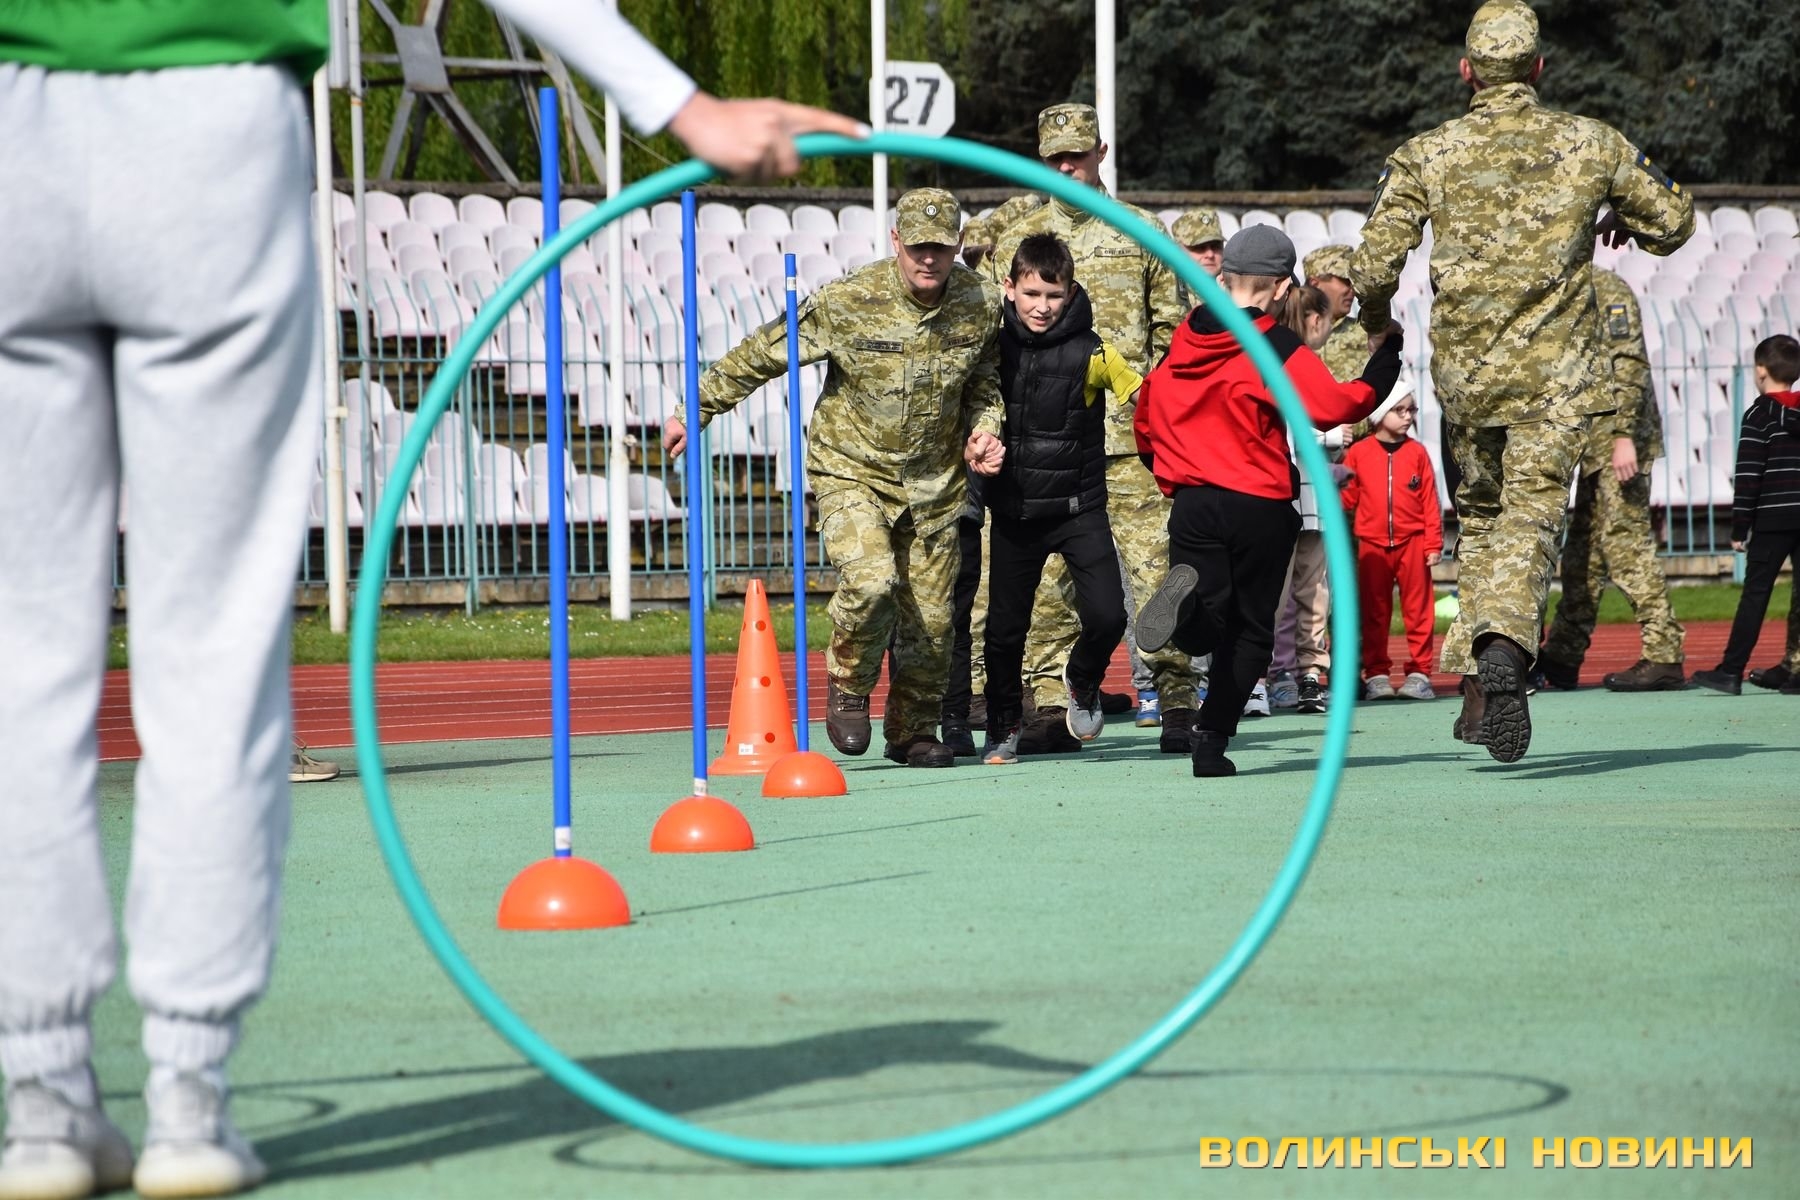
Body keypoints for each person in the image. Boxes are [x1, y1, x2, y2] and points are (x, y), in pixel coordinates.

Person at [0, 6, 861, 1197]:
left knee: (25, 666)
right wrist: (681, 106)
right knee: (210, 661)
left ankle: (43, 1103)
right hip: (209, 127)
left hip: (17, 131)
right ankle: (188, 1101)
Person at [1349, 0, 1694, 763]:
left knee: (1479, 521)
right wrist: (1623, 217)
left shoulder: (1427, 152)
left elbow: (1370, 266)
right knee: (1531, 518)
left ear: (1466, 71)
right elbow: (1675, 222)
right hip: (1556, 380)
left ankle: (1479, 682)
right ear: (1539, 67)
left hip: (1467, 381)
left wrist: (1377, 325)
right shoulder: (1590, 142)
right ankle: (1504, 644)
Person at [668, 189, 1005, 766]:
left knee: (932, 622)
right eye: (918, 247)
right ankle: (849, 682)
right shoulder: (849, 299)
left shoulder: (982, 302)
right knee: (873, 582)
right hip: (852, 470)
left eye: (941, 248)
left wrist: (986, 428)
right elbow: (765, 351)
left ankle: (912, 732)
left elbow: (985, 380)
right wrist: (695, 408)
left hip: (933, 484)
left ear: (956, 246)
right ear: (896, 241)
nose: (929, 259)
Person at [1134, 225, 1401, 777]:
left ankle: (1185, 614)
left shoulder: (1185, 336)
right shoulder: (1271, 344)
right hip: (1257, 503)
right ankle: (1211, 743)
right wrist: (1386, 361)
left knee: (1209, 615)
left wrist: (1166, 471)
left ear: (1224, 277)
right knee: (1250, 631)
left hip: (1193, 503)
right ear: (1281, 288)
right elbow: (1336, 406)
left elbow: (1149, 409)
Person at [987, 103, 1194, 755]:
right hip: (1043, 446)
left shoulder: (1141, 231)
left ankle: (1177, 699)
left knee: (1156, 570)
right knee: (1048, 589)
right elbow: (997, 339)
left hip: (1131, 444)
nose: (1067, 167)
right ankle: (1051, 705)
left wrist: (1162, 411)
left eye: (1078, 154)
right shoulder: (1018, 237)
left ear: (1102, 152)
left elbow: (1173, 333)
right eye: (1055, 158)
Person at [979, 234, 1139, 762]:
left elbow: (1145, 395)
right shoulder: (991, 346)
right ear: (1010, 288)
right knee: (1004, 633)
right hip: (1016, 513)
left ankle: (1083, 679)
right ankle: (1003, 723)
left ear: (1070, 293)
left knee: (1109, 616)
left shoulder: (1093, 352)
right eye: (1031, 294)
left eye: (1053, 295)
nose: (1042, 306)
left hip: (1078, 508)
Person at [1536, 269, 1686, 691]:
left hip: (1619, 441)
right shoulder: (1560, 285)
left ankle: (1664, 654)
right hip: (1589, 443)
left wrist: (1623, 435)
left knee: (1625, 544)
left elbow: (1629, 363)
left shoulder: (1606, 288)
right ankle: (1563, 655)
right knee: (1582, 553)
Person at [1693, 335, 1800, 695]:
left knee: (1756, 594)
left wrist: (1740, 528)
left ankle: (1731, 670)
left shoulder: (1758, 416)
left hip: (1772, 519)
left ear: (1760, 370)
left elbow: (1749, 476)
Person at [1267, 285, 1345, 714]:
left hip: (1314, 502)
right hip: (1283, 497)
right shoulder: (1285, 361)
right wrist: (1331, 435)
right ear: (1315, 321)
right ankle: (1268, 674)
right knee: (1277, 592)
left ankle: (1310, 674)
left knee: (1314, 589)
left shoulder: (1309, 362)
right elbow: (1287, 424)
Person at [1341, 380, 1444, 701]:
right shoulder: (1358, 453)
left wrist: (1433, 543)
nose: (1407, 416)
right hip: (1371, 546)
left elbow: (1430, 500)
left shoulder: (1417, 452)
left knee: (1419, 611)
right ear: (1380, 414)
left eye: (1411, 410)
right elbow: (1347, 497)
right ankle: (1377, 675)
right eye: (1399, 410)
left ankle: (1420, 672)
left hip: (1413, 541)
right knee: (1374, 612)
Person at [1171, 208, 1226, 280]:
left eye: (1215, 246)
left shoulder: (1234, 285)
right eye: (1199, 247)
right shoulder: (1165, 285)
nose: (1210, 255)